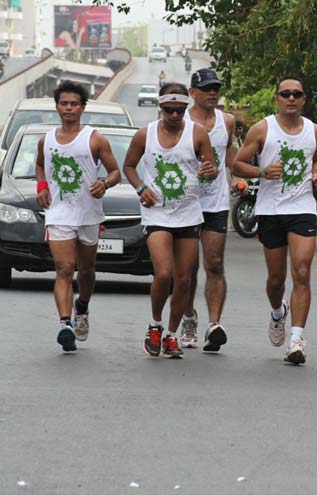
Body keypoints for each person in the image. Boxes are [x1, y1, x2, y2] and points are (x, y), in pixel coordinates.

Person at [233, 77, 317, 364]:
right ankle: (277, 312)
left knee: (302, 271)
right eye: (285, 94)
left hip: (302, 208)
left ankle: (297, 339)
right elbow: (237, 164)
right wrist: (262, 172)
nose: (291, 98)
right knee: (276, 280)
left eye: (297, 94)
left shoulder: (313, 130)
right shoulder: (263, 129)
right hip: (271, 210)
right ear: (277, 98)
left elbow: (316, 161)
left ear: (304, 98)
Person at [123, 83, 217, 359]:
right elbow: (129, 165)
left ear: (186, 107)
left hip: (188, 213)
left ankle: (172, 334)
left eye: (180, 109)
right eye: (169, 110)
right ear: (160, 107)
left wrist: (209, 170)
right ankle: (155, 324)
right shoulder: (145, 135)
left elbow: (210, 170)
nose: (175, 115)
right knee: (163, 273)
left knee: (184, 280)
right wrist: (141, 188)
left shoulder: (197, 133)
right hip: (157, 213)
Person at [35, 80, 121, 351]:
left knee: (86, 270)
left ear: (83, 107)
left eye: (74, 104)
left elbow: (115, 172)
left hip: (88, 214)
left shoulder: (95, 138)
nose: (68, 108)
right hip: (59, 213)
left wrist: (104, 184)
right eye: (64, 104)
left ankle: (81, 307)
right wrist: (42, 186)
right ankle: (65, 325)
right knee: (63, 269)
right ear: (57, 107)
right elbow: (39, 165)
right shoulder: (45, 140)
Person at [178, 68, 238, 351]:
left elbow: (230, 156)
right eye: (206, 88)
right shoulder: (181, 120)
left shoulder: (227, 121)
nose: (213, 93)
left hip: (215, 202)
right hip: (186, 202)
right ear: (193, 93)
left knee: (214, 263)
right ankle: (189, 317)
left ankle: (215, 324)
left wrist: (238, 176)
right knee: (187, 269)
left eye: (216, 88)